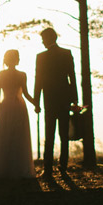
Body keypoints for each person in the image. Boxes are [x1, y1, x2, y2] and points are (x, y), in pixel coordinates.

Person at [0, 49, 36, 179]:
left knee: (4, 136)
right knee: (19, 137)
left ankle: (3, 168)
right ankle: (19, 169)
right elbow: (25, 93)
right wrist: (36, 103)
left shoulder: (1, 74)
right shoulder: (21, 75)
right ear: (16, 60)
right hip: (19, 106)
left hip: (6, 105)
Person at [34, 27, 77, 178]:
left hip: (49, 100)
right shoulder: (66, 54)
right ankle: (63, 167)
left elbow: (38, 80)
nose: (42, 42)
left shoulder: (41, 57)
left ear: (48, 39)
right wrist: (75, 99)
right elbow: (72, 77)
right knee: (64, 135)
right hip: (65, 99)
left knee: (49, 134)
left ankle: (48, 169)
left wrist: (36, 101)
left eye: (43, 39)